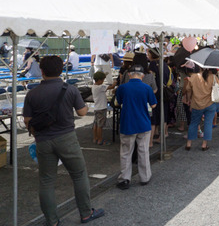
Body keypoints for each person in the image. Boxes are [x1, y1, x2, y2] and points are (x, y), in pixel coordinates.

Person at [23, 56, 105, 225]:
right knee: (79, 175)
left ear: (42, 71)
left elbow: (27, 121)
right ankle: (85, 213)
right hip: (67, 138)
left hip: (43, 140)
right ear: (61, 70)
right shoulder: (70, 90)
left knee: (46, 180)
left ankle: (52, 221)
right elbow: (82, 112)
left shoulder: (32, 94)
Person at [115, 64, 157, 190]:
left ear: (129, 74)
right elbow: (153, 105)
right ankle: (145, 177)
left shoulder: (122, 88)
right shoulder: (147, 88)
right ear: (142, 76)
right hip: (144, 123)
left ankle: (124, 179)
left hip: (127, 123)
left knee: (126, 152)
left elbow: (118, 102)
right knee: (143, 151)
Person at [184, 67, 219, 151]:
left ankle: (189, 143)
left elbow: (188, 90)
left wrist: (189, 100)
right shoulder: (213, 77)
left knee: (193, 123)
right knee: (208, 124)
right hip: (210, 103)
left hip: (196, 104)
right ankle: (204, 144)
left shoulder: (193, 77)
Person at [92, 71, 116, 145]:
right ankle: (100, 140)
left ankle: (95, 138)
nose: (103, 81)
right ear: (99, 80)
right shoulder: (100, 87)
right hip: (101, 108)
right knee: (100, 126)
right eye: (102, 80)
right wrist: (115, 82)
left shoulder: (94, 86)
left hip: (97, 108)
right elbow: (112, 87)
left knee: (96, 124)